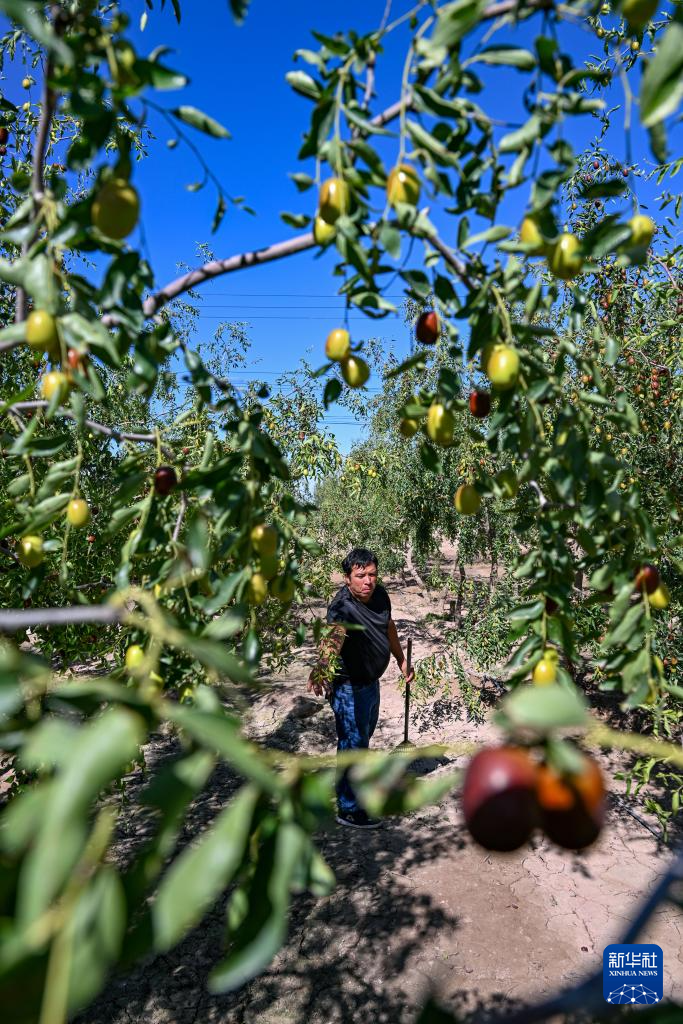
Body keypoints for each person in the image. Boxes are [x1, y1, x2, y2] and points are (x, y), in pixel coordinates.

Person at [307, 547, 415, 829]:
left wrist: (401, 659)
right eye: (360, 576)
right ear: (347, 578)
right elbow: (334, 638)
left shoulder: (379, 595)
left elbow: (388, 626)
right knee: (352, 744)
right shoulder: (341, 606)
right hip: (347, 686)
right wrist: (321, 668)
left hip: (370, 682)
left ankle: (352, 790)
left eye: (372, 575)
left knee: (362, 739)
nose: (368, 581)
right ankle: (349, 808)